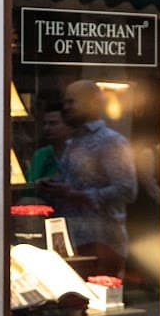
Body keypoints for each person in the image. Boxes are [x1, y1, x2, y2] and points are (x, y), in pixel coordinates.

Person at [39, 80, 136, 278]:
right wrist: (52, 184)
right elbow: (73, 180)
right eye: (65, 102)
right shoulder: (74, 141)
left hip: (102, 244)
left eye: (71, 102)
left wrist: (76, 195)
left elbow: (126, 190)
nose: (66, 108)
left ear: (92, 102)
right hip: (74, 242)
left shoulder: (111, 141)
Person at [26, 107, 70, 190]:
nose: (46, 128)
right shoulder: (41, 154)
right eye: (44, 124)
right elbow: (30, 187)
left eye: (53, 123)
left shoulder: (78, 152)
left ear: (69, 126)